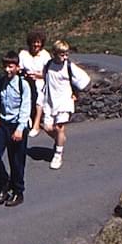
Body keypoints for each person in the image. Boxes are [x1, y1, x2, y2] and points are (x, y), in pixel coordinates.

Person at [0, 50, 32, 208]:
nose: (8, 70)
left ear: (17, 67)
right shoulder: (0, 82)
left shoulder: (23, 84)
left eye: (11, 66)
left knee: (17, 161)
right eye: (5, 66)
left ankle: (18, 191)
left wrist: (20, 128)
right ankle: (3, 183)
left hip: (17, 125)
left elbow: (26, 108)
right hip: (3, 124)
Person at [40, 40, 91, 170]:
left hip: (64, 101)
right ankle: (60, 140)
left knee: (59, 127)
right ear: (54, 53)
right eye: (62, 54)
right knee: (47, 127)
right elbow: (45, 79)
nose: (65, 57)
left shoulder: (69, 66)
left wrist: (76, 93)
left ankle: (58, 155)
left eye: (66, 54)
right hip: (50, 101)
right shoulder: (48, 65)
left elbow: (84, 80)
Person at [20, 30, 50, 138]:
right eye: (34, 42)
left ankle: (36, 124)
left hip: (40, 81)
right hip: (26, 80)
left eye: (38, 42)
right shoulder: (23, 54)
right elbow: (19, 68)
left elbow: (49, 73)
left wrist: (38, 76)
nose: (36, 45)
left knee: (39, 96)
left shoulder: (45, 55)